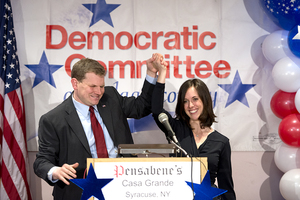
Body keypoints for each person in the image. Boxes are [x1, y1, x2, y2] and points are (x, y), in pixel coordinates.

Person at [33, 54, 167, 200]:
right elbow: (42, 161)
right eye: (92, 86)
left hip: (122, 187)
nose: (98, 92)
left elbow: (141, 107)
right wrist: (55, 170)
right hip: (80, 192)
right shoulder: (53, 120)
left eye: (101, 86)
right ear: (75, 83)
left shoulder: (110, 97)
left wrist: (151, 73)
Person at [151, 63, 236, 200]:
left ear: (205, 100)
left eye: (195, 99)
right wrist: (162, 72)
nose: (190, 105)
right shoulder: (174, 130)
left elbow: (226, 188)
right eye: (185, 101)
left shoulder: (221, 142)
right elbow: (156, 110)